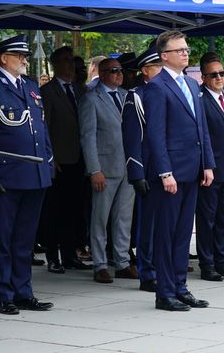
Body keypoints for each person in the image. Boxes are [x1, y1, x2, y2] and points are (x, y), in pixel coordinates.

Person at [143, 31, 215, 311]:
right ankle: (164, 292)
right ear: (164, 56)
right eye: (179, 50)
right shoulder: (157, 86)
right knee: (166, 233)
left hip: (193, 168)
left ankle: (180, 286)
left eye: (186, 49)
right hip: (171, 172)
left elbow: (202, 128)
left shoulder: (190, 82)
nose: (185, 53)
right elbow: (155, 135)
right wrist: (164, 172)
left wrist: (207, 163)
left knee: (184, 233)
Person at [0, 35, 54, 314]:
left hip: (34, 174)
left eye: (25, 55)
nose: (25, 59)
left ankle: (24, 291)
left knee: (25, 239)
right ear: (4, 58)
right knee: (2, 238)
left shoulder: (30, 86)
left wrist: (48, 165)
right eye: (19, 55)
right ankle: (5, 294)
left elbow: (41, 130)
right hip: (6, 175)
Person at [79, 58, 137, 284]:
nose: (118, 74)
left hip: (127, 167)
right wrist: (94, 169)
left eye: (120, 70)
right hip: (105, 167)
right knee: (100, 219)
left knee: (124, 218)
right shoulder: (91, 99)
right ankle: (100, 264)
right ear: (101, 73)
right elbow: (88, 136)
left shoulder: (126, 96)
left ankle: (122, 262)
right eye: (113, 71)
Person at [40, 46, 89, 273]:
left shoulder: (80, 90)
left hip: (80, 158)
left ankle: (70, 255)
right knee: (55, 210)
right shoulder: (48, 91)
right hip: (59, 160)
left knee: (74, 209)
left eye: (72, 61)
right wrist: (51, 158)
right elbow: (45, 127)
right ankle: (53, 256)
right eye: (66, 61)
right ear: (56, 64)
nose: (71, 65)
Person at [121, 45, 162, 292]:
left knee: (167, 224)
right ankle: (148, 272)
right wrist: (136, 173)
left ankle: (163, 267)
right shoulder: (136, 95)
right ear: (145, 70)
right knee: (149, 225)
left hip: (169, 168)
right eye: (158, 66)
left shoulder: (168, 91)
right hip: (148, 169)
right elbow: (132, 137)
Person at [196, 53, 224, 280]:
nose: (220, 78)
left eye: (222, 73)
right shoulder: (201, 99)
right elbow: (202, 137)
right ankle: (207, 263)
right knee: (207, 219)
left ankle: (222, 260)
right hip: (211, 170)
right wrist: (206, 165)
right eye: (214, 75)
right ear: (204, 77)